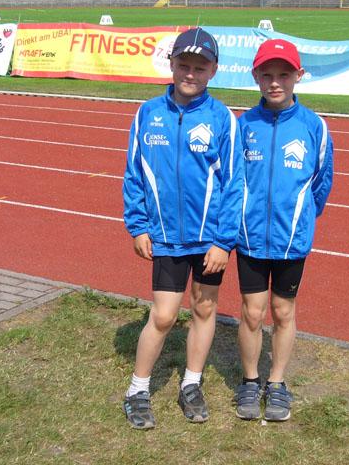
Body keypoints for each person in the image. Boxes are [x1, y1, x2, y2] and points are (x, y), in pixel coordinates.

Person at [122, 27, 244, 430]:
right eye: (184, 65)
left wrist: (224, 241)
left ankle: (191, 384)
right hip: (166, 237)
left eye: (200, 67)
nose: (190, 73)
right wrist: (138, 226)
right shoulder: (147, 113)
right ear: (171, 64)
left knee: (204, 308)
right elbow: (134, 173)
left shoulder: (222, 118)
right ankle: (138, 389)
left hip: (209, 240)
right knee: (163, 315)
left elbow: (234, 183)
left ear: (213, 71)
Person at [234, 39, 334, 422]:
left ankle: (276, 382)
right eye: (267, 75)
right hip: (249, 238)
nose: (275, 82)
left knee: (282, 310)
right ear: (256, 77)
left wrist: (302, 216)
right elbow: (232, 180)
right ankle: (249, 380)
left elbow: (321, 182)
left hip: (292, 239)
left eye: (284, 75)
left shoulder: (314, 127)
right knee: (252, 312)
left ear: (298, 76)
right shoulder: (243, 125)